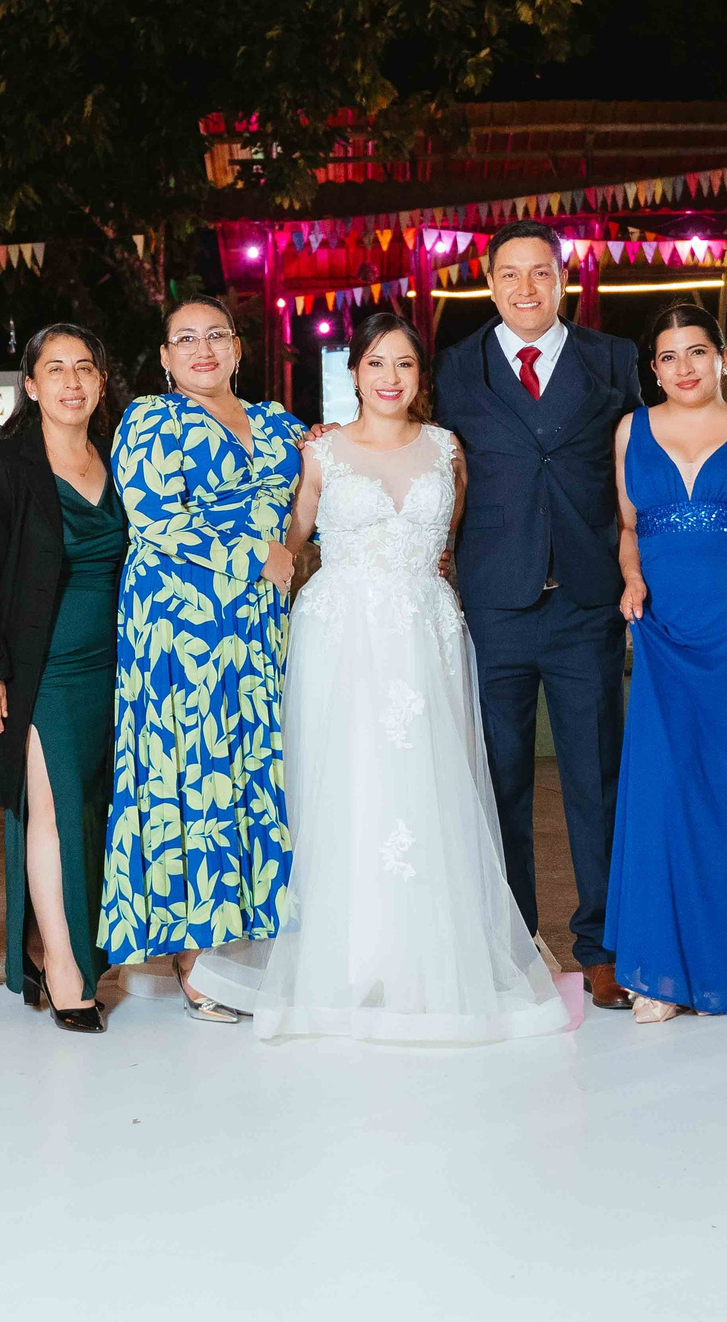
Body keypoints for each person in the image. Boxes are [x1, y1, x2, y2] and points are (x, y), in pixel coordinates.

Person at [191, 316, 572, 1043]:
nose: (389, 376)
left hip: (425, 633)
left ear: (421, 376)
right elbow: (295, 541)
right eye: (375, 362)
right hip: (341, 633)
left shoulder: (447, 449)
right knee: (348, 786)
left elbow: (452, 541)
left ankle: (427, 959)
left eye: (403, 362)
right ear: (356, 373)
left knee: (430, 786)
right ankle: (345, 956)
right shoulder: (322, 449)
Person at [434, 220, 645, 1012]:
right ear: (490, 284)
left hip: (586, 603)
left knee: (598, 779)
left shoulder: (614, 358)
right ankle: (513, 942)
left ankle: (604, 946)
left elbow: (661, 440)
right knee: (499, 782)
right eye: (510, 275)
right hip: (494, 604)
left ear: (565, 280)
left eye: (542, 273)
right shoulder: (457, 368)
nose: (527, 288)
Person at [99, 296, 307, 1019]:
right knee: (190, 769)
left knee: (254, 766)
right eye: (184, 338)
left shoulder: (282, 423)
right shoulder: (150, 419)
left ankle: (254, 941)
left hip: (256, 626)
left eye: (215, 334)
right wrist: (264, 555)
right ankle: (193, 957)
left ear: (239, 346)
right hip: (178, 623)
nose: (202, 348)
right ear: (163, 356)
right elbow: (155, 518)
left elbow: (312, 495)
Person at [0, 324, 127, 1035]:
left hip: (117, 668)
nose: (73, 382)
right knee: (49, 815)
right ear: (31, 385)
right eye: (56, 369)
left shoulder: (118, 457)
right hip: (39, 670)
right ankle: (63, 968)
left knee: (93, 812)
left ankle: (75, 943)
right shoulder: (5, 464)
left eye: (86, 367)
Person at [607, 306, 727, 1022]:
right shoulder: (630, 429)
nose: (683, 367)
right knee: (660, 788)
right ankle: (660, 970)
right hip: (662, 621)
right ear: (653, 368)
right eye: (668, 356)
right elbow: (627, 526)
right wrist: (632, 579)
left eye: (697, 352)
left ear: (723, 356)